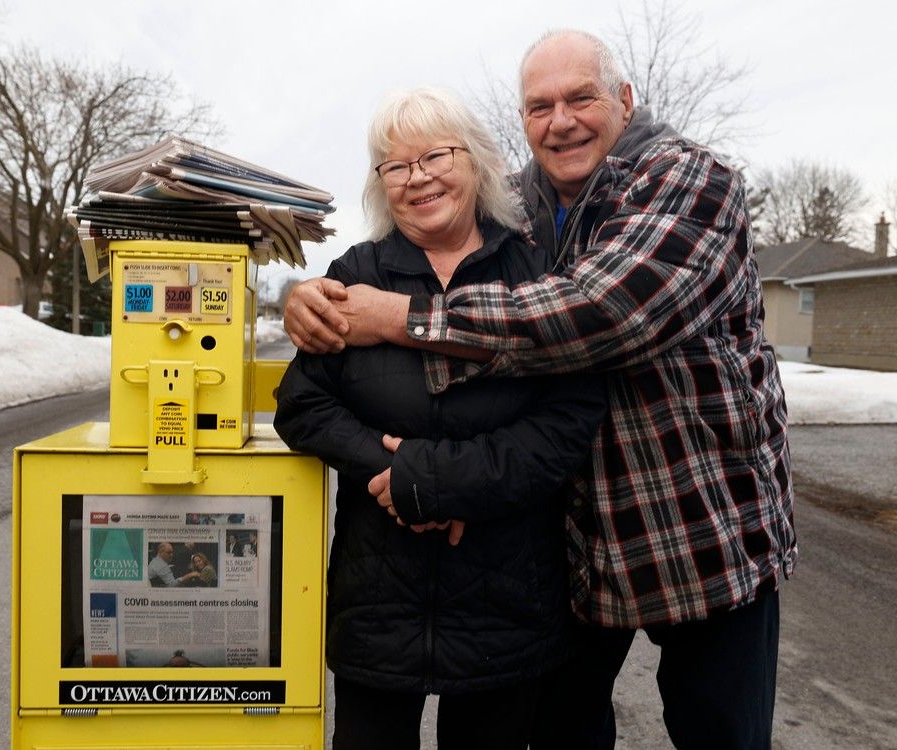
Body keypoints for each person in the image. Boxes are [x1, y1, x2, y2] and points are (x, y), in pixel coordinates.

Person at [284, 30, 795, 750]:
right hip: (582, 539)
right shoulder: (522, 210)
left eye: (581, 98)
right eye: (538, 107)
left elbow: (599, 313)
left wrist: (401, 319)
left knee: (720, 731)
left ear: (624, 99)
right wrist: (303, 297)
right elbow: (311, 391)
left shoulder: (688, 179)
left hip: (697, 523)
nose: (561, 122)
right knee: (563, 732)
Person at [274, 86, 605, 750]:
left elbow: (567, 422)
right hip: (378, 600)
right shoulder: (357, 273)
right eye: (396, 166)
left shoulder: (536, 275)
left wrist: (445, 481)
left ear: (476, 160)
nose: (417, 177)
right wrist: (396, 475)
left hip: (505, 606)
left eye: (435, 156)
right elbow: (302, 404)